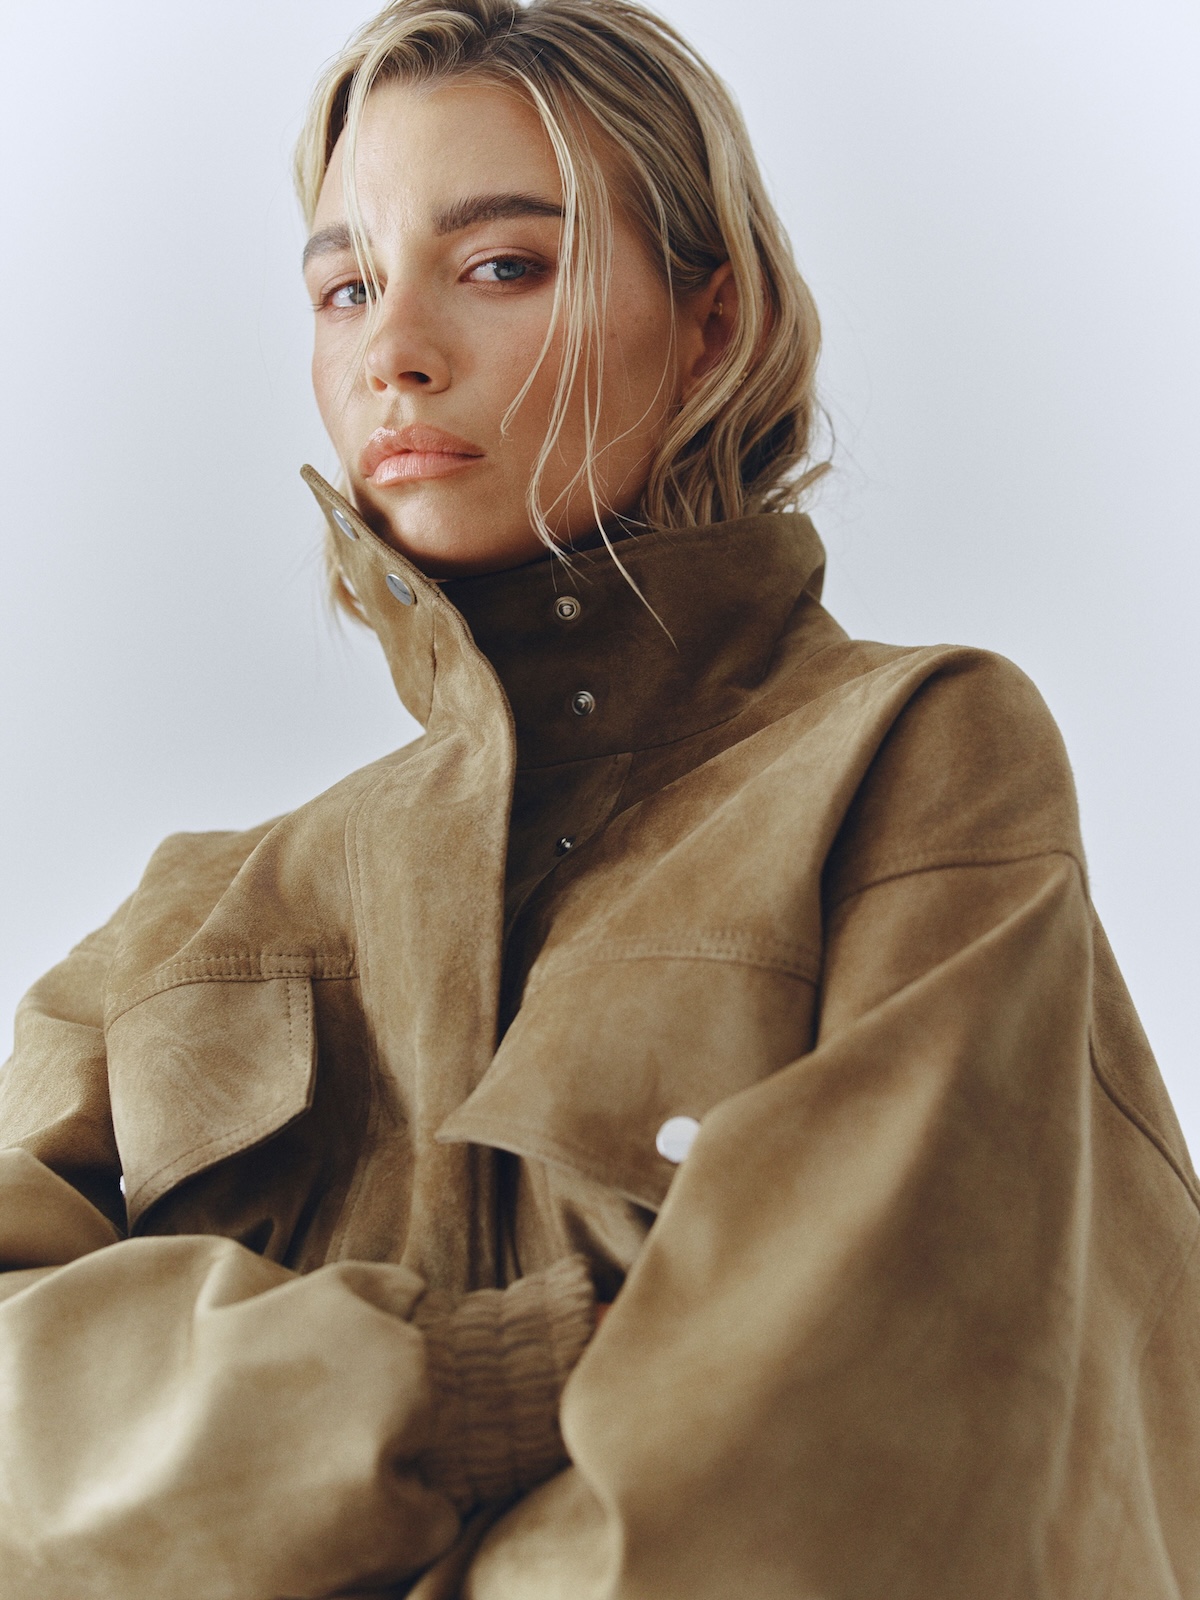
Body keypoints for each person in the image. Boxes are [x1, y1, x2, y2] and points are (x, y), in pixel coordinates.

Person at [0, 0, 1195, 1595]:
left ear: (711, 324)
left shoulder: (912, 759)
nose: (393, 352)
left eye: (501, 265)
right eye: (345, 288)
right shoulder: (183, 921)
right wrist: (467, 1388)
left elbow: (836, 1467)